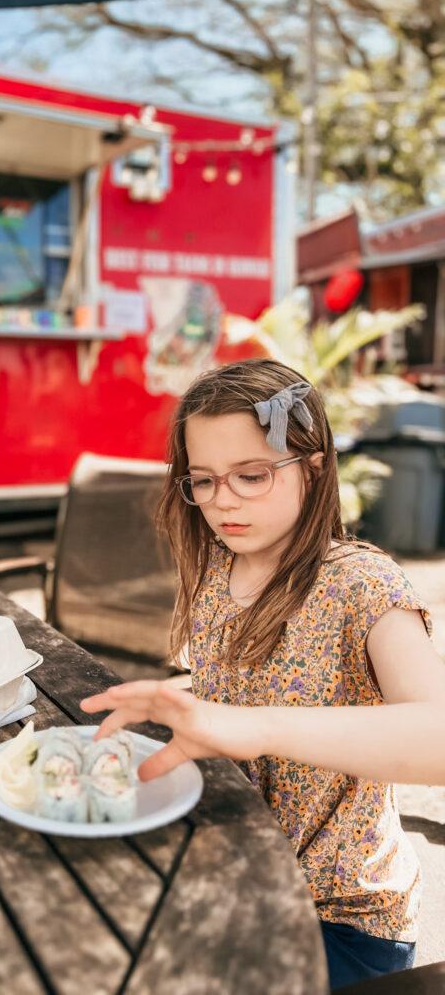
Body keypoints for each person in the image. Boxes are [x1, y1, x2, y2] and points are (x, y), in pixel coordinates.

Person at [80, 358, 445, 991]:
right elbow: (242, 690)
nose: (222, 501)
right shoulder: (220, 570)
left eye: (251, 476)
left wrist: (249, 727)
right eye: (202, 480)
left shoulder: (359, 582)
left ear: (314, 466)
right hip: (232, 868)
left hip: (340, 918)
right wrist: (179, 704)